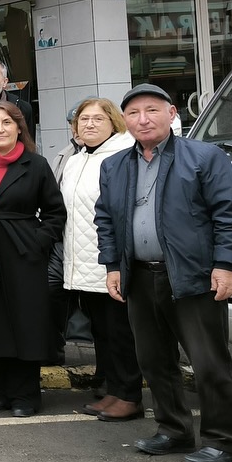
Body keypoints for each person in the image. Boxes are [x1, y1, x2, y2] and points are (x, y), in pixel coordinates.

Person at [96, 84, 232, 462]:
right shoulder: (115, 165)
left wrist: (226, 265)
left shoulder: (204, 157)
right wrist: (112, 265)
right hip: (140, 278)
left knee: (209, 363)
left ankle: (223, 443)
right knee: (154, 360)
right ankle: (174, 429)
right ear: (125, 121)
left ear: (172, 113)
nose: (142, 119)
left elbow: (229, 215)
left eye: (151, 110)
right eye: (133, 113)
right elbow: (107, 221)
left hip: (194, 277)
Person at [0, 101, 66, 418]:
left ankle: (26, 394)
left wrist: (39, 242)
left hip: (24, 250)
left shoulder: (36, 164)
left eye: (6, 122)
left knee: (26, 323)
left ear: (19, 126)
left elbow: (54, 212)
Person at [53, 98, 141, 422]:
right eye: (83, 120)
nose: (89, 125)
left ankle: (129, 395)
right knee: (102, 332)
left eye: (97, 119)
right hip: (81, 262)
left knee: (120, 332)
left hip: (110, 264)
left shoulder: (124, 156)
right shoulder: (76, 160)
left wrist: (116, 261)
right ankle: (113, 391)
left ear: (114, 123)